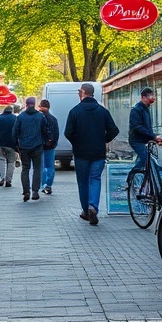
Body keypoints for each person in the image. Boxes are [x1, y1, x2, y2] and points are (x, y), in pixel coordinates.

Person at [64, 83, 119, 225]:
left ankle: (85, 210)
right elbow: (114, 130)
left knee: (83, 181)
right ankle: (93, 206)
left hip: (81, 153)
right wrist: (103, 140)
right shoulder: (102, 111)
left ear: (82, 92)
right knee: (95, 179)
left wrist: (76, 143)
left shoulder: (75, 111)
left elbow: (68, 132)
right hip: (98, 152)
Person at [13, 96, 46, 201]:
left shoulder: (21, 117)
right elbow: (45, 131)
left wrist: (16, 145)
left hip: (24, 147)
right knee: (37, 169)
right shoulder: (40, 117)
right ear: (35, 104)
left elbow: (15, 132)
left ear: (26, 104)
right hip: (37, 146)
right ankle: (35, 191)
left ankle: (26, 191)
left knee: (25, 169)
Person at [127, 87, 162, 180]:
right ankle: (131, 177)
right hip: (136, 140)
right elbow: (138, 127)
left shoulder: (145, 108)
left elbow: (146, 127)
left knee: (142, 158)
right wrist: (153, 136)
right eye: (150, 96)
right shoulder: (137, 109)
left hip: (142, 139)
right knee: (144, 158)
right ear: (143, 97)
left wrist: (153, 137)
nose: (153, 98)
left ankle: (137, 180)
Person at [0, 105, 19, 187]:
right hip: (12, 145)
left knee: (1, 160)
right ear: (12, 110)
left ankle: (2, 177)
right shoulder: (15, 118)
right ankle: (8, 180)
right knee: (11, 162)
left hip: (1, 143)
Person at [38, 99, 60, 195]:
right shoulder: (53, 119)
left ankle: (43, 185)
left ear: (40, 106)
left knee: (41, 166)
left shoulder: (37, 117)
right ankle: (49, 184)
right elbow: (56, 133)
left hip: (39, 145)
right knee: (50, 166)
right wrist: (54, 143)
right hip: (50, 146)